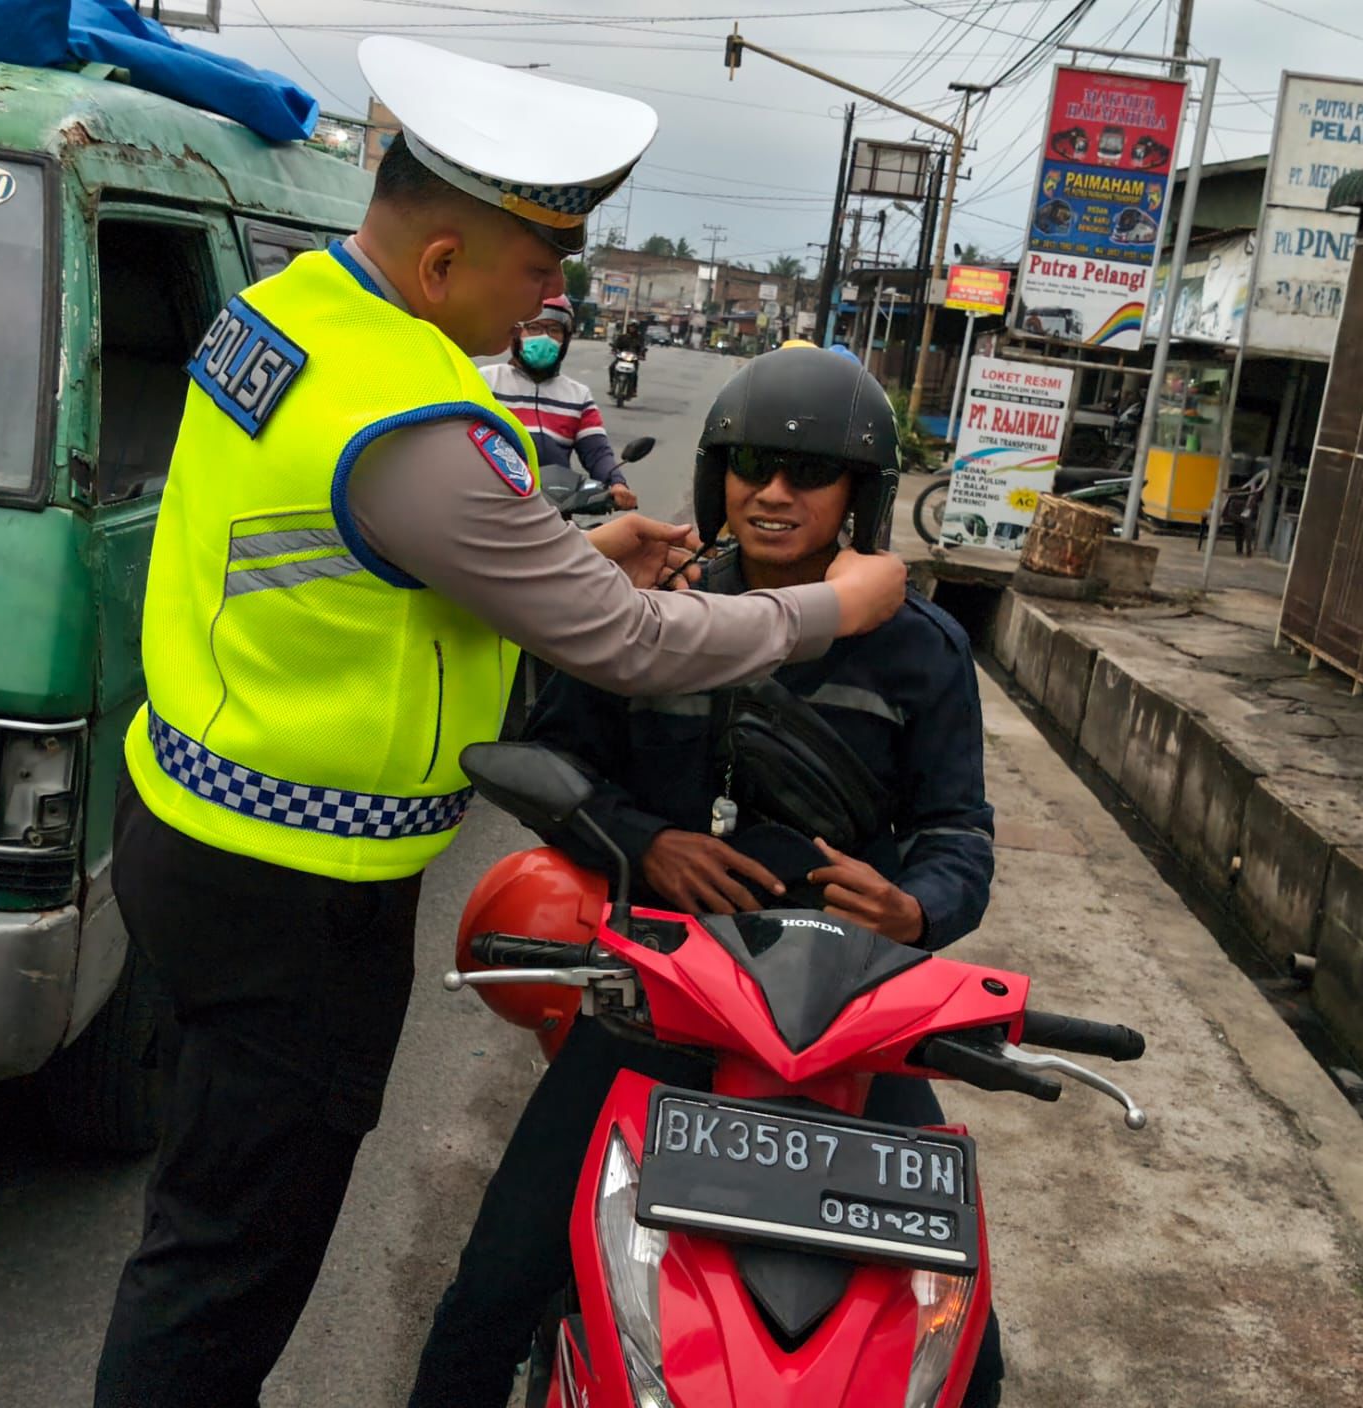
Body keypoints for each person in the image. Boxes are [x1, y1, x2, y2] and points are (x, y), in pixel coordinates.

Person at [92, 39, 907, 1408]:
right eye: (539, 268)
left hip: (190, 822)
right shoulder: (409, 416)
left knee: (202, 1212)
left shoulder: (291, 313)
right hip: (292, 903)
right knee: (230, 1260)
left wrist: (582, 541)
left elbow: (368, 558)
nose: (557, 296)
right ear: (439, 264)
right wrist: (836, 609)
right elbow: (636, 649)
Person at [410, 347, 1002, 1408]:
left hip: (846, 1015)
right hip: (658, 997)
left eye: (807, 473)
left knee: (957, 1345)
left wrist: (919, 904)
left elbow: (958, 830)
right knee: (498, 1279)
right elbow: (555, 763)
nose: (772, 492)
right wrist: (647, 843)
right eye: (751, 466)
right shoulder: (654, 614)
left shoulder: (925, 651)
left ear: (857, 497)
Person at [481, 295, 637, 510]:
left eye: (554, 330)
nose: (544, 337)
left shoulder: (577, 395)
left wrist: (616, 483)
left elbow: (596, 451)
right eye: (534, 328)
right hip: (490, 504)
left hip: (553, 510)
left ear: (566, 339)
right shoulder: (486, 382)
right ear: (517, 333)